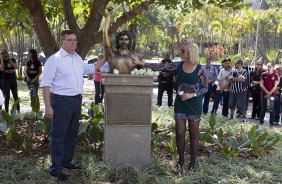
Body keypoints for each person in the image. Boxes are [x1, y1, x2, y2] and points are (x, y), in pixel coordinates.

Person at [41, 30, 105, 181]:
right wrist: (48, 106)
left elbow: (89, 69)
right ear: (62, 42)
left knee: (71, 133)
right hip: (61, 101)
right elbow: (45, 84)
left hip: (76, 100)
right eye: (69, 40)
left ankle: (66, 161)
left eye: (75, 40)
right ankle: (56, 167)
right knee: (59, 134)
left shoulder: (77, 58)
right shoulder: (54, 60)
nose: (73, 43)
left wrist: (102, 61)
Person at [174, 41, 208, 172]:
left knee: (194, 134)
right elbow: (161, 66)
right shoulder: (179, 65)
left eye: (183, 51)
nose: (181, 53)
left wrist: (192, 94)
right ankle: (181, 160)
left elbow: (205, 87)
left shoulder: (200, 69)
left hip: (194, 105)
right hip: (180, 104)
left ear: (190, 53)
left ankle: (192, 163)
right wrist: (140, 63)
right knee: (180, 133)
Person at [103, 8, 143, 74]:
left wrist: (139, 63)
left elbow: (142, 69)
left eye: (126, 39)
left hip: (131, 83)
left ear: (129, 42)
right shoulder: (111, 54)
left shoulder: (135, 56)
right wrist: (109, 15)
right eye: (121, 39)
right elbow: (105, 33)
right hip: (113, 83)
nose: (124, 41)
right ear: (118, 41)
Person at [0, 49, 20, 113]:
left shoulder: (12, 59)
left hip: (13, 80)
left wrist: (10, 61)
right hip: (5, 81)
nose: (3, 54)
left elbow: (16, 67)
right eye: (2, 53)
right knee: (7, 97)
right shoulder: (1, 61)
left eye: (4, 53)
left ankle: (18, 110)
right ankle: (6, 111)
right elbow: (2, 69)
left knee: (15, 95)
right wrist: (2, 60)